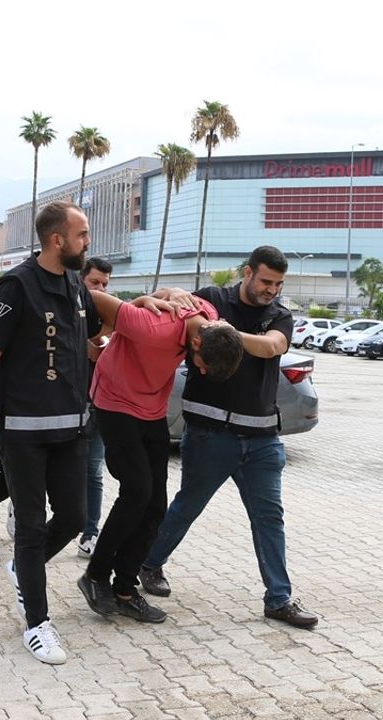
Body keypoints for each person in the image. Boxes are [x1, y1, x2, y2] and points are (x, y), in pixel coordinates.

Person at [138, 246, 320, 629]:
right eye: (266, 281)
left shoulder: (278, 315)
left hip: (263, 440)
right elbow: (164, 302)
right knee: (187, 506)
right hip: (210, 434)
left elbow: (273, 346)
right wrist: (170, 294)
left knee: (269, 517)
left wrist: (221, 332)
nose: (272, 289)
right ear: (248, 273)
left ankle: (279, 599)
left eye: (278, 284)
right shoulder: (212, 299)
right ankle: (148, 564)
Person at [0, 201, 105, 665]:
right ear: (57, 240)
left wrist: (145, 304)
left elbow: (95, 320)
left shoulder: (74, 282)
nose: (88, 242)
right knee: (29, 527)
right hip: (23, 431)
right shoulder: (16, 285)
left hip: (72, 427)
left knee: (73, 517)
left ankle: (23, 572)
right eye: (83, 234)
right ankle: (37, 623)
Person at [74, 283, 245, 624]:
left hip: (151, 409)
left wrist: (172, 289)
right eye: (201, 365)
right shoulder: (153, 326)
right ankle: (94, 576)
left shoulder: (209, 317)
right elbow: (92, 297)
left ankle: (124, 589)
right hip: (115, 402)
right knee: (137, 490)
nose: (200, 370)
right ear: (196, 342)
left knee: (155, 504)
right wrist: (141, 300)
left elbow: (177, 294)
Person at [76, 257, 112, 558]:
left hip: (99, 405)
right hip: (63, 406)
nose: (100, 289)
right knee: (55, 469)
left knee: (93, 470)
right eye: (94, 283)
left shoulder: (110, 315)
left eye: (105, 284)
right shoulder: (68, 309)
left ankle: (90, 532)